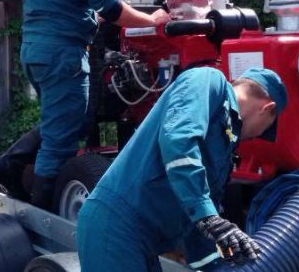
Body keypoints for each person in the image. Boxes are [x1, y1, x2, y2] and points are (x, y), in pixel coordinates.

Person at [0, 0, 170, 211]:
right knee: (62, 141)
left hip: (34, 51)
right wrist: (151, 20)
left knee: (63, 121)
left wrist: (87, 17)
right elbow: (112, 8)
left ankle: (8, 164)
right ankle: (43, 214)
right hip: (64, 56)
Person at [76, 66, 287, 272]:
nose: (256, 137)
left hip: (143, 241)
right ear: (267, 109)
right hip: (116, 227)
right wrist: (207, 217)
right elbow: (178, 141)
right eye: (266, 129)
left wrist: (216, 264)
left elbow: (198, 215)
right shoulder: (207, 80)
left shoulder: (225, 141)